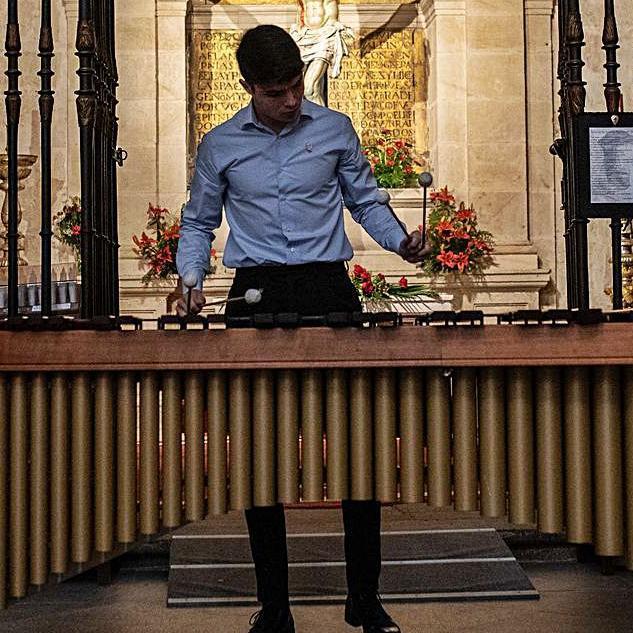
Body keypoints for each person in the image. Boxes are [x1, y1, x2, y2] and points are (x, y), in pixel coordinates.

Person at [176, 24, 429, 633]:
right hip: (256, 294)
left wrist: (403, 242)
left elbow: (365, 201)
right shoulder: (219, 146)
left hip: (327, 288)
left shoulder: (336, 129)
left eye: (296, 87)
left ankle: (363, 599)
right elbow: (197, 222)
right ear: (248, 88)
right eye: (277, 92)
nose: (292, 100)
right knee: (261, 460)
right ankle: (276, 606)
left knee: (358, 452)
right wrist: (190, 280)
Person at [290, 0, 353, 105]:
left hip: (324, 38)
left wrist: (333, 29)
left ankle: (322, 120)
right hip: (304, 36)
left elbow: (332, 16)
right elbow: (301, 11)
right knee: (296, 88)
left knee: (309, 89)